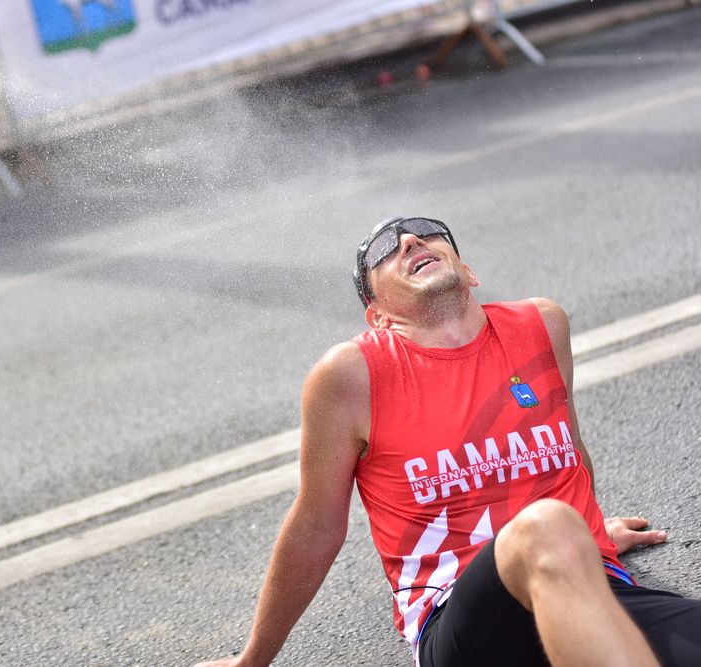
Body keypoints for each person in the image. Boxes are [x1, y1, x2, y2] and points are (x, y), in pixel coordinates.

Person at [195, 216, 701, 667]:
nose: (410, 239)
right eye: (382, 252)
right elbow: (317, 525)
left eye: (427, 232)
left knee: (554, 528)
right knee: (546, 525)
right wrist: (250, 661)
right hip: (460, 622)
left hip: (591, 583)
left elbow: (569, 448)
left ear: (470, 271)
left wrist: (584, 534)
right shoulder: (351, 376)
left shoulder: (542, 325)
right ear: (378, 316)